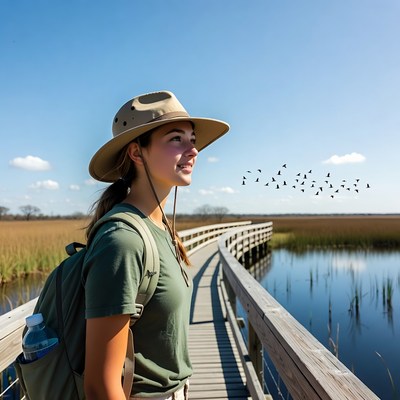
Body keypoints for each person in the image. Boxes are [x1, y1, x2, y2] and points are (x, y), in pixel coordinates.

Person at [82, 90, 229, 400]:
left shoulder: (159, 225)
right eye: (177, 139)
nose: (193, 150)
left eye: (193, 139)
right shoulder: (123, 240)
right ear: (137, 153)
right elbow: (100, 386)